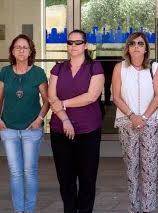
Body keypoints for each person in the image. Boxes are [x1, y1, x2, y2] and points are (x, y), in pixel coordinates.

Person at [48, 30, 105, 213]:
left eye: (78, 42)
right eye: (70, 42)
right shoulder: (58, 68)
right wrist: (65, 119)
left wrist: (64, 103)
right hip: (60, 129)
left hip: (88, 130)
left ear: (85, 45)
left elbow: (91, 96)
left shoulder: (94, 67)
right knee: (65, 179)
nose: (73, 46)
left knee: (87, 179)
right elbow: (51, 98)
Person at [0, 34, 50, 213]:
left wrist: (40, 119)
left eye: (25, 47)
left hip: (31, 130)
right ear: (12, 51)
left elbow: (47, 100)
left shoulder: (38, 73)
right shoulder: (5, 72)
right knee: (15, 172)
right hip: (9, 129)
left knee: (29, 171)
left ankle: (30, 209)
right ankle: (19, 210)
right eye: (17, 47)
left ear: (31, 51)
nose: (21, 50)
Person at [111, 32, 158, 213]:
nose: (136, 46)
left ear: (146, 48)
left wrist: (144, 117)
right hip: (127, 123)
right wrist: (132, 116)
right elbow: (116, 97)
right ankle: (133, 208)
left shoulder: (154, 67)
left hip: (149, 124)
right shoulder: (120, 68)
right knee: (131, 168)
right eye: (132, 43)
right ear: (128, 47)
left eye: (140, 44)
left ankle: (147, 208)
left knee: (149, 168)